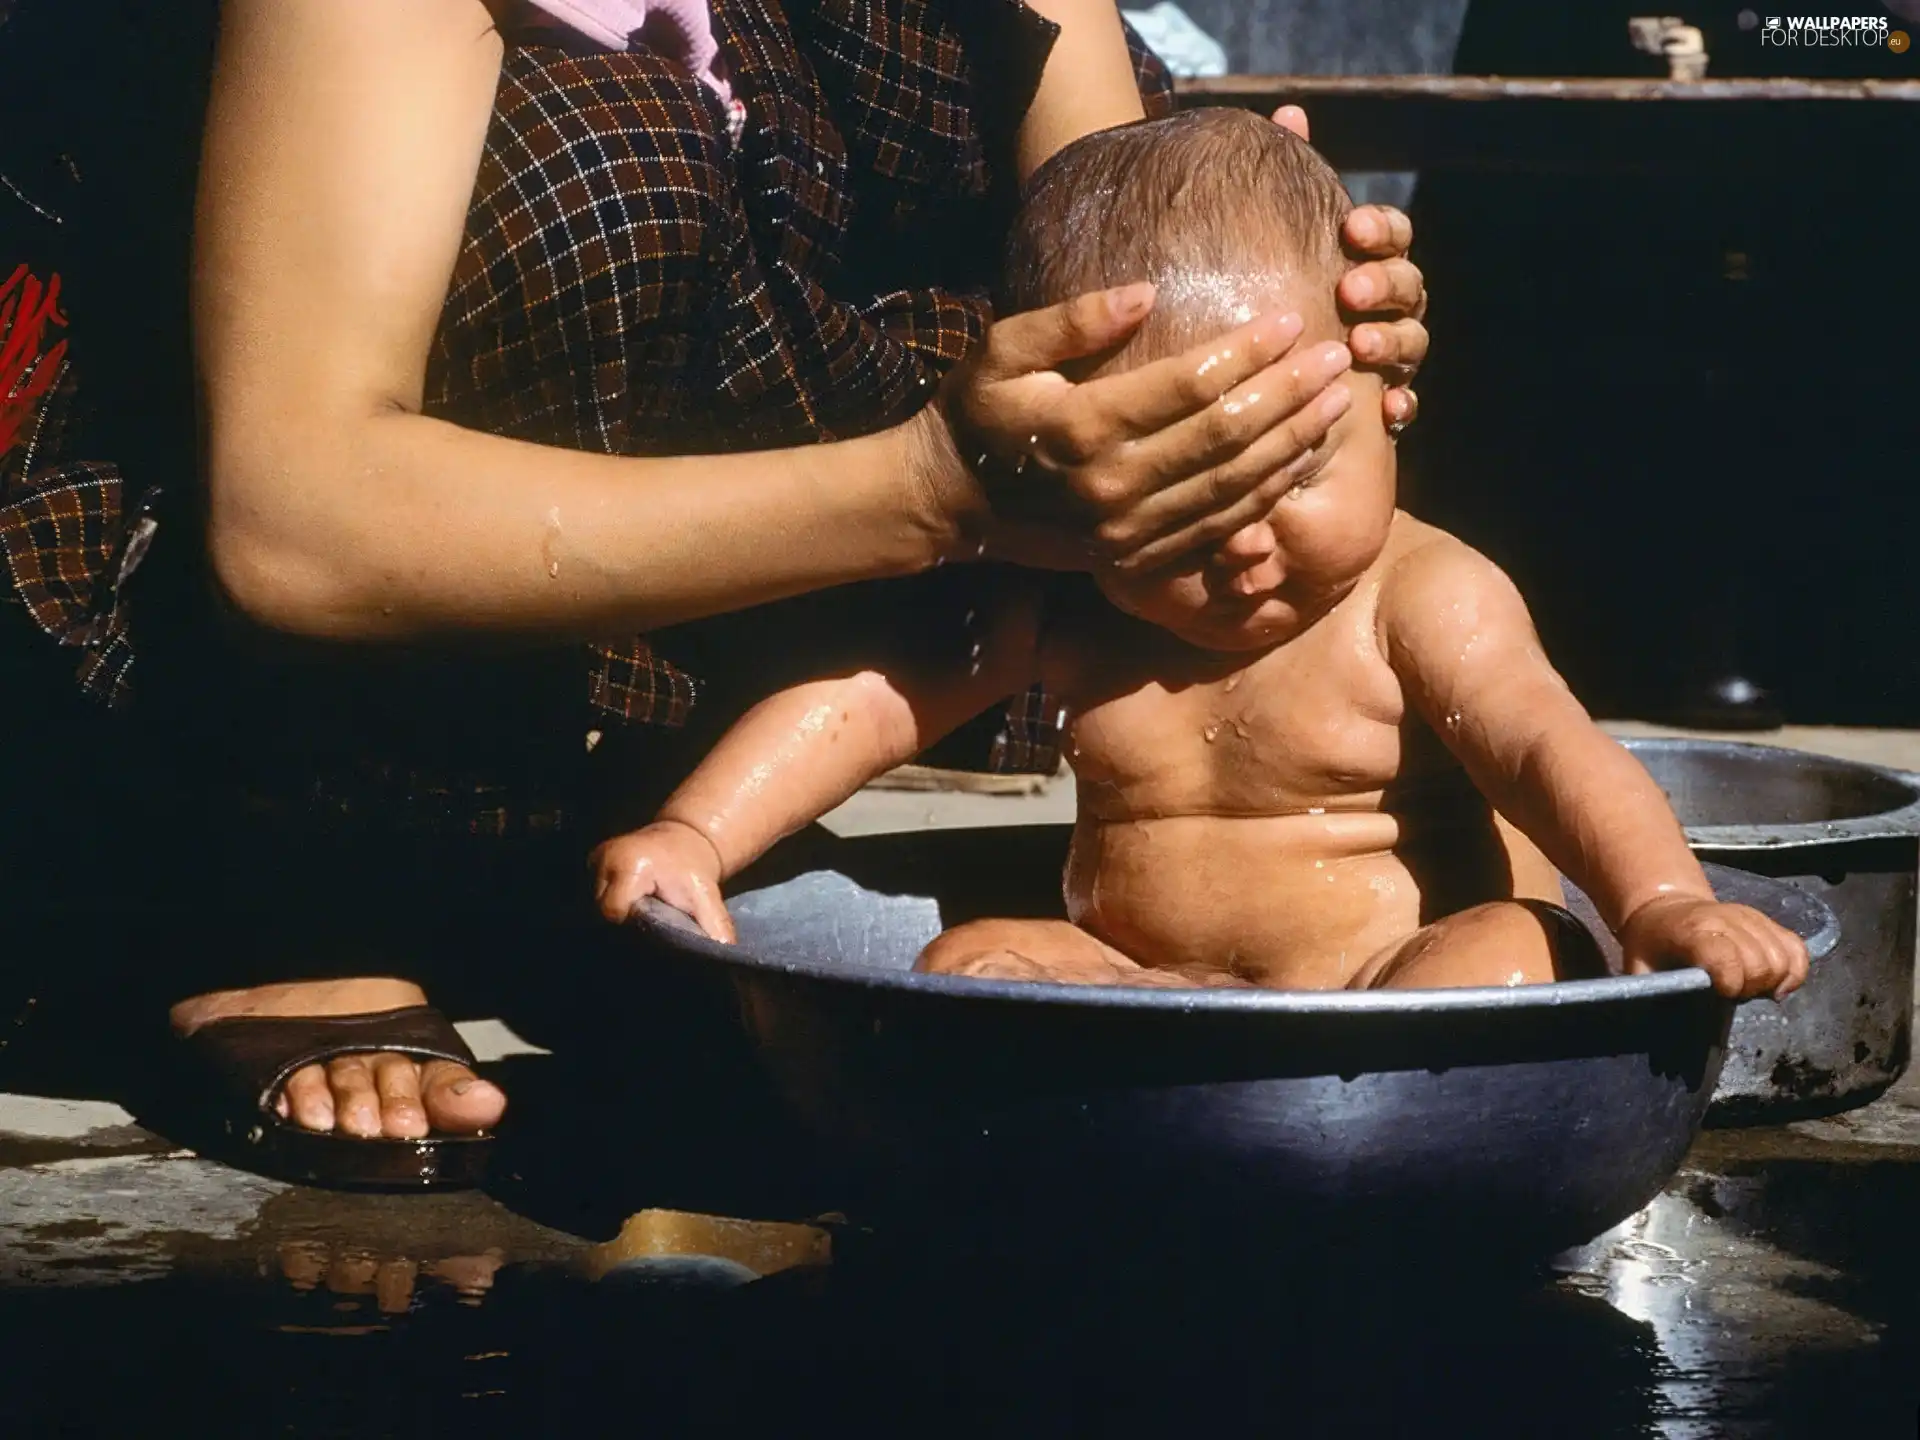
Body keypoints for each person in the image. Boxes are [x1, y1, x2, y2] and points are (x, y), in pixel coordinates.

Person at [106, 0, 1434, 1182]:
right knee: (619, 164)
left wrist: (1282, 317)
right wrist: (932, 491)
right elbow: (293, 524)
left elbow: (1115, 323)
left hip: (780, 715)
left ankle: (687, 835)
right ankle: (305, 897)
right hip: (360, 742)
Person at [592, 109, 1808, 1001]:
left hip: (1399, 979)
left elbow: (1556, 752)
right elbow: (870, 702)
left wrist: (1662, 902)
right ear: (1076, 472)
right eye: (1181, 504)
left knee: (1511, 955)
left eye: (1291, 474)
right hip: (1142, 979)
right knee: (966, 964)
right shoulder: (1071, 597)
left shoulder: (1421, 596)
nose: (1246, 542)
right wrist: (698, 834)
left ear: (1387, 388)